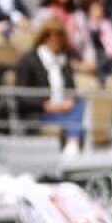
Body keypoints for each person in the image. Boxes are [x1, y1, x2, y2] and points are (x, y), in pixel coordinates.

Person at [14, 19, 85, 153]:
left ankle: (72, 142)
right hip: (41, 112)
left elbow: (72, 90)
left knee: (81, 103)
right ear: (45, 37)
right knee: (75, 115)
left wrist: (68, 101)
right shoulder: (29, 60)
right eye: (54, 36)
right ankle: (73, 142)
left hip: (63, 110)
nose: (58, 41)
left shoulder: (64, 62)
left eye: (61, 36)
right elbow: (21, 96)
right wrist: (46, 105)